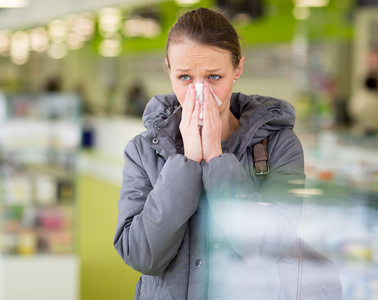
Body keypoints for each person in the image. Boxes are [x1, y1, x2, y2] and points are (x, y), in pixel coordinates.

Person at [114, 7, 342, 299]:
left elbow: (268, 247)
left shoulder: (280, 145)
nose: (199, 92)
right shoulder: (142, 151)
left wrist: (215, 158)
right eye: (185, 77)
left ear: (238, 69)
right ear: (169, 70)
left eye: (213, 77)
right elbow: (141, 256)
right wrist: (186, 163)